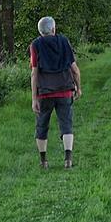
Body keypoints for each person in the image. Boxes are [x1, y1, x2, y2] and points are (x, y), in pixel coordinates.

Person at [30, 16, 82, 169]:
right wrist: (78, 87)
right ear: (53, 28)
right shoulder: (64, 41)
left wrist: (34, 98)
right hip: (64, 90)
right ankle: (68, 159)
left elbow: (34, 73)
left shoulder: (35, 45)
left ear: (40, 31)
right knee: (66, 124)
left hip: (44, 92)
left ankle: (43, 161)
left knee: (42, 125)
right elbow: (74, 69)